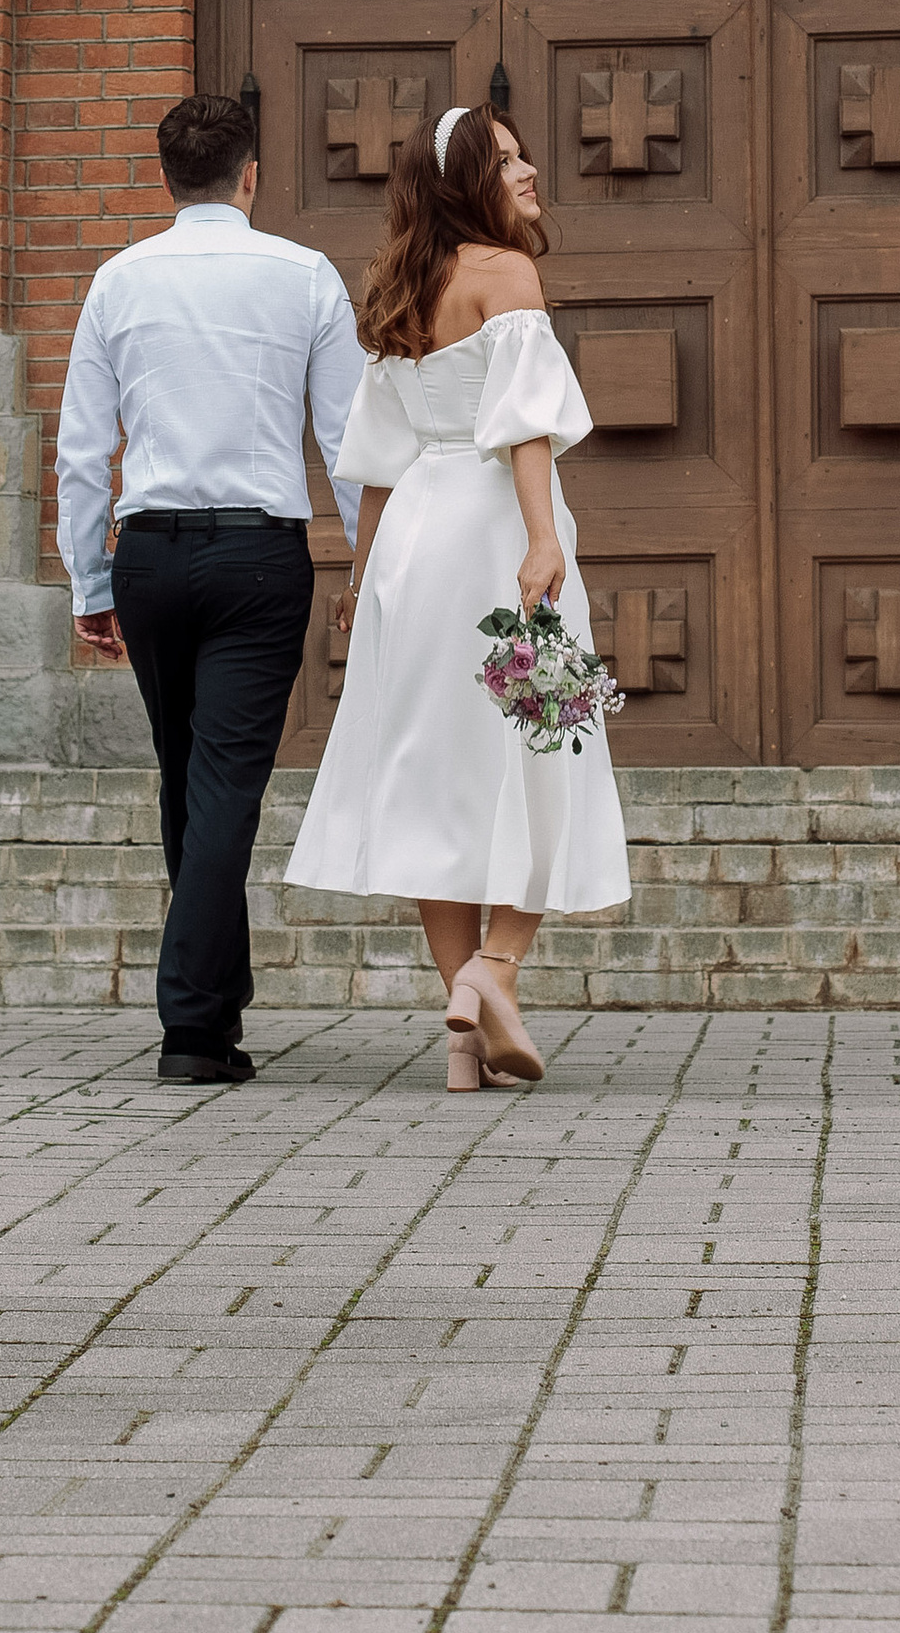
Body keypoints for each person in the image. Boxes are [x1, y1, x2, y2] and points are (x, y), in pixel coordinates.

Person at [283, 105, 630, 1090]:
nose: (528, 172)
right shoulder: (506, 275)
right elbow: (525, 428)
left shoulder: (400, 285)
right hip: (491, 539)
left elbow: (379, 462)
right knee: (553, 740)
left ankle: (460, 1047)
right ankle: (494, 971)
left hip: (411, 557)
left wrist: (359, 579)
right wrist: (536, 542)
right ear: (467, 182)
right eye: (509, 161)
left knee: (435, 776)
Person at [54, 92, 363, 1087]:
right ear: (251, 174)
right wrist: (370, 558)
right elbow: (345, 442)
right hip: (257, 557)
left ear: (164, 178)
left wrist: (86, 581)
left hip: (147, 555)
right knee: (223, 781)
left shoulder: (118, 279)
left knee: (187, 775)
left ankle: (212, 1014)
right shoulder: (302, 275)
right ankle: (190, 1024)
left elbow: (76, 451)